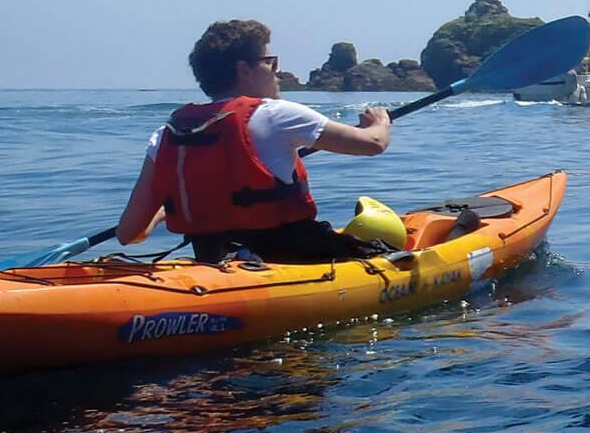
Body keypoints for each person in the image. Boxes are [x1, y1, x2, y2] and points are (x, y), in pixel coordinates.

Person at [117, 19, 392, 263]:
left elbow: (128, 233)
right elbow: (372, 144)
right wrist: (380, 121)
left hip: (216, 261)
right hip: (294, 259)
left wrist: (166, 211)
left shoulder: (167, 133)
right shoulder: (276, 113)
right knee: (391, 248)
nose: (277, 72)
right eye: (269, 61)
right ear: (244, 70)